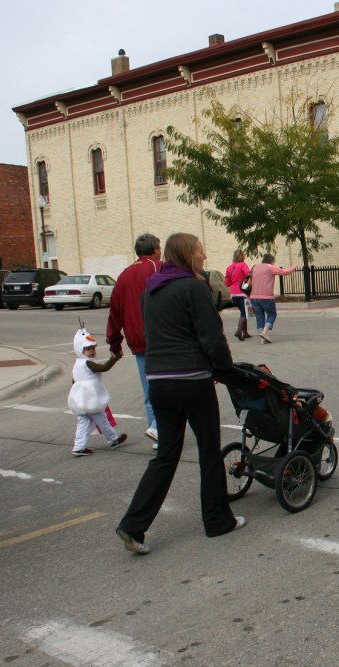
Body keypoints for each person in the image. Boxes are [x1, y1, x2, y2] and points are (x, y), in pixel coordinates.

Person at [116, 233, 242, 555]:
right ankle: (217, 521)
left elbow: (151, 333)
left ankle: (133, 525)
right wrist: (225, 370)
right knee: (209, 451)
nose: (203, 255)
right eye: (200, 250)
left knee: (166, 455)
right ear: (188, 254)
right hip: (192, 381)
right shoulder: (193, 288)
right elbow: (212, 338)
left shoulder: (152, 290)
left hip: (159, 382)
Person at [106, 233, 162, 449]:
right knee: (168, 387)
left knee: (149, 392)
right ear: (156, 249)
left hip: (138, 342)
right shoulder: (159, 268)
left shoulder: (124, 275)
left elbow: (115, 312)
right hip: (160, 338)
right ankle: (158, 429)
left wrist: (114, 343)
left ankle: (157, 433)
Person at [68, 327, 126, 456]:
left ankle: (79, 447)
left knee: (83, 421)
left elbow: (74, 380)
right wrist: (114, 358)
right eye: (88, 349)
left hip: (80, 399)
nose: (92, 351)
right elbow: (104, 368)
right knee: (101, 419)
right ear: (80, 350)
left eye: (93, 348)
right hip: (91, 398)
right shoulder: (88, 363)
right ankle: (113, 439)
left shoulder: (77, 363)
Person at [248, 253, 297, 344]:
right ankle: (264, 332)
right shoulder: (270, 267)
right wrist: (294, 266)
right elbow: (284, 272)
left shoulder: (255, 267)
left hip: (253, 296)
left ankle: (263, 337)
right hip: (266, 297)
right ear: (271, 261)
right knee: (272, 314)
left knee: (259, 316)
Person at [224, 249, 252, 342]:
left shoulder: (229, 268)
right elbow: (248, 276)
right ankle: (239, 331)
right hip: (242, 292)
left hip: (233, 294)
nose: (245, 256)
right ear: (242, 256)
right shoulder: (243, 265)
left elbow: (227, 283)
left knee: (243, 312)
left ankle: (246, 332)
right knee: (244, 313)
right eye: (244, 255)